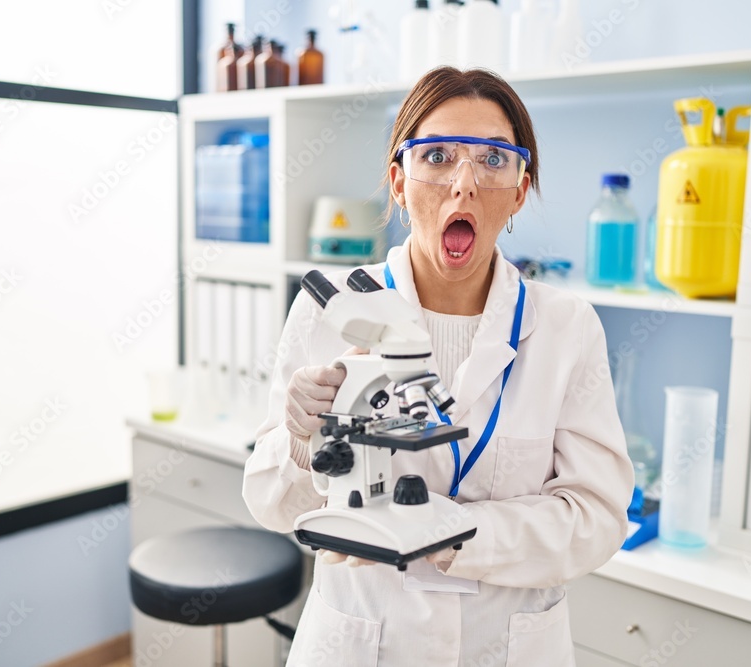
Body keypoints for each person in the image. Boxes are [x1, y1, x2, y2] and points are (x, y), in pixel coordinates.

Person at [243, 67, 633, 667]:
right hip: (361, 642)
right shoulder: (335, 307)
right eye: (439, 156)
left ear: (520, 189)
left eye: (494, 160)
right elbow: (271, 504)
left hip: (505, 646)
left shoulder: (566, 327)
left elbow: (596, 519)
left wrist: (453, 534)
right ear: (398, 182)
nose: (465, 184)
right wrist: (299, 441)